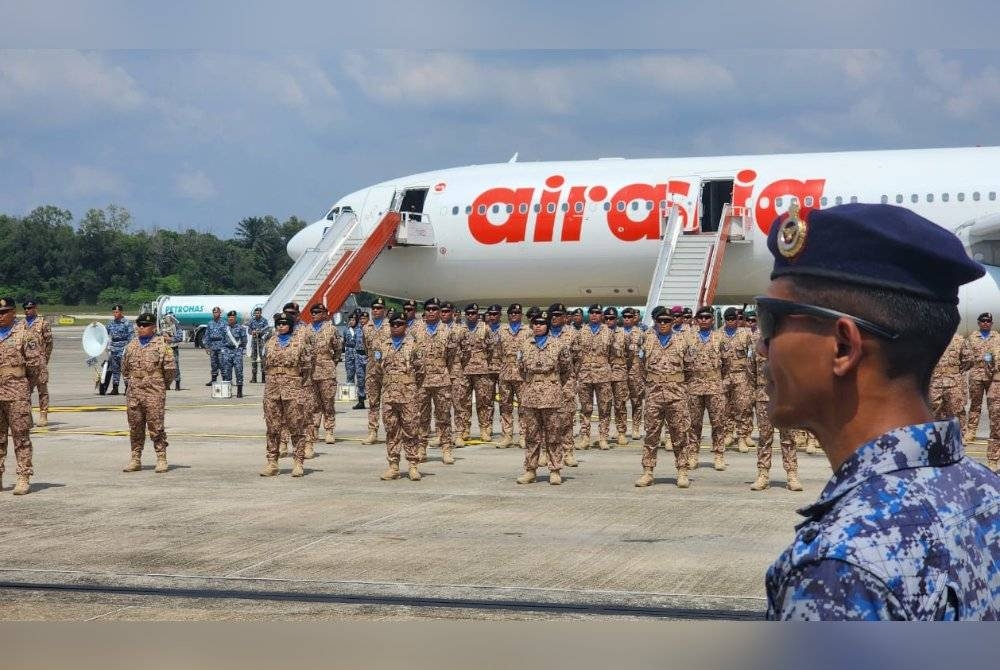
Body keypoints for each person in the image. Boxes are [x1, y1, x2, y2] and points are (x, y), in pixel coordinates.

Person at [760, 203, 1000, 620]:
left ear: (843, 347)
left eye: (771, 321)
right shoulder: (985, 493)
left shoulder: (840, 570)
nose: (762, 346)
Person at [747, 310, 802, 491]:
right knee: (764, 438)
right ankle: (763, 474)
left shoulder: (788, 344)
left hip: (784, 398)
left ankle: (792, 475)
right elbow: (751, 373)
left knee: (788, 438)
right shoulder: (757, 346)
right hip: (763, 398)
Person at [634, 311, 692, 488]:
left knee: (679, 433)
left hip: (676, 394)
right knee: (651, 434)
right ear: (655, 321)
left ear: (673, 321)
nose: (664, 323)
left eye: (667, 320)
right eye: (660, 320)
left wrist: (677, 384)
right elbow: (640, 367)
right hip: (654, 394)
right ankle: (648, 471)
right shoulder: (647, 340)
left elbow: (689, 369)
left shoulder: (683, 340)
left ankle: (682, 471)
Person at [516, 310, 573, 485]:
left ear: (547, 326)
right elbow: (520, 368)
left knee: (553, 434)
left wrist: (552, 384)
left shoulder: (559, 345)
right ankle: (530, 470)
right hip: (531, 395)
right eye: (535, 323)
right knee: (532, 435)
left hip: (551, 395)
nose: (538, 326)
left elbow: (566, 369)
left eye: (542, 323)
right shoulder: (525, 345)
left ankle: (555, 470)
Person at [121, 312, 177, 474]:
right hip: (134, 391)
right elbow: (124, 369)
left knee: (156, 425)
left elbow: (170, 370)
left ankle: (161, 458)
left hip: (154, 391)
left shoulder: (161, 345)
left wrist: (160, 385)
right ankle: (135, 458)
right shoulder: (131, 345)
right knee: (135, 426)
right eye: (139, 325)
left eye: (145, 325)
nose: (141, 328)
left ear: (153, 327)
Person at [0, 297, 43, 494]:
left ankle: (23, 476)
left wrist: (24, 387)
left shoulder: (25, 335)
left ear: (13, 313)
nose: (1, 316)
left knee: (20, 437)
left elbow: (35, 367)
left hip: (17, 394)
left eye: (4, 312)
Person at [259, 314, 310, 477]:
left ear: (290, 325)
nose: (281, 326)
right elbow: (265, 364)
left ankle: (298, 461)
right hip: (272, 389)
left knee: (296, 426)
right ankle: (272, 462)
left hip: (292, 388)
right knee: (272, 427)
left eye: (284, 323)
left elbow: (307, 368)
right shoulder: (270, 342)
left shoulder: (300, 343)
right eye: (278, 324)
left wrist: (297, 384)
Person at [377, 312, 424, 481]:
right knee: (392, 431)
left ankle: (412, 465)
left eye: (400, 324)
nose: (396, 326)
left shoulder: (413, 345)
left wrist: (409, 386)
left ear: (405, 326)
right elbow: (377, 370)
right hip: (389, 396)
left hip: (408, 395)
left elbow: (421, 371)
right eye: (393, 324)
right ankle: (393, 466)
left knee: (411, 430)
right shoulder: (383, 345)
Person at [411, 297, 455, 464]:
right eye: (428, 309)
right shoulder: (416, 330)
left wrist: (442, 370)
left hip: (441, 380)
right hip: (421, 380)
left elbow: (451, 356)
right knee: (421, 416)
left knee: (443, 415)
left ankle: (446, 448)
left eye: (434, 309)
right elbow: (412, 354)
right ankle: (421, 448)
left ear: (439, 312)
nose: (431, 312)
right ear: (425, 311)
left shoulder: (447, 331)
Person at [685, 306, 728, 471]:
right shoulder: (688, 338)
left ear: (712, 320)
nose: (704, 320)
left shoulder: (719, 338)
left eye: (707, 317)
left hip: (715, 386)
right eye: (700, 317)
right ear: (696, 319)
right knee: (694, 423)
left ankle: (718, 454)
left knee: (718, 423)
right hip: (695, 387)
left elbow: (727, 364)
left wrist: (722, 383)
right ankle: (693, 454)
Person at [577, 304, 614, 450]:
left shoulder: (608, 332)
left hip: (603, 375)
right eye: (592, 312)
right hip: (585, 374)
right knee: (585, 408)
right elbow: (576, 354)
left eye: (597, 313)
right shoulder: (581, 331)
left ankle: (603, 437)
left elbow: (614, 354)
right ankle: (585, 437)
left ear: (601, 315)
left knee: (604, 407)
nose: (594, 315)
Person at [720, 306, 755, 452]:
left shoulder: (745, 333)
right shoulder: (718, 335)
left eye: (733, 319)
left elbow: (754, 350)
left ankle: (742, 437)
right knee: (726, 407)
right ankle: (728, 433)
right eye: (728, 319)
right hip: (724, 375)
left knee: (743, 406)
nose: (730, 321)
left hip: (741, 375)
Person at [308, 303, 342, 446]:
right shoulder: (307, 330)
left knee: (328, 402)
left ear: (324, 313)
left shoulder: (331, 329)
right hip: (311, 371)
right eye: (313, 312)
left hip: (327, 370)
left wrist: (331, 362)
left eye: (318, 312)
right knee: (314, 404)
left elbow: (338, 349)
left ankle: (329, 430)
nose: (315, 314)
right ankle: (314, 430)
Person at [496, 303, 529, 448]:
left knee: (524, 406)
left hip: (522, 373)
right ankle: (507, 436)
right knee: (505, 406)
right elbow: (497, 352)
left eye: (517, 313)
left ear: (521, 315)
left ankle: (523, 435)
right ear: (508, 315)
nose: (514, 315)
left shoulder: (528, 331)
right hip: (505, 372)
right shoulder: (502, 331)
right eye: (511, 313)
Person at [17, 300, 53, 426]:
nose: (27, 310)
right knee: (25, 391)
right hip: (26, 363)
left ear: (35, 308)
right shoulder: (21, 324)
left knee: (42, 389)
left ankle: (43, 415)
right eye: (25, 308)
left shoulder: (42, 323)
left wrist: (45, 359)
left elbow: (49, 343)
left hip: (39, 362)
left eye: (30, 308)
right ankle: (28, 416)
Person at [361, 299, 391, 443]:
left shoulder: (391, 326)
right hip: (372, 369)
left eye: (379, 308)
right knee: (373, 402)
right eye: (373, 308)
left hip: (387, 370)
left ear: (384, 310)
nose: (375, 310)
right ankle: (372, 431)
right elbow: (367, 348)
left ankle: (391, 431)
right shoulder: (366, 328)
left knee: (389, 403)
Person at [965, 312, 994, 442]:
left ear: (991, 323)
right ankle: (971, 432)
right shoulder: (971, 338)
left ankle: (995, 434)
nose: (986, 323)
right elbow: (965, 356)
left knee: (994, 406)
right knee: (975, 405)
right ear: (978, 323)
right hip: (976, 376)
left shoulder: (997, 338)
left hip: (992, 377)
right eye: (983, 321)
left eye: (988, 321)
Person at [604, 307, 630, 445]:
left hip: (619, 374)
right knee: (605, 405)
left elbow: (630, 356)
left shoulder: (624, 334)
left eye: (612, 318)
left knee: (620, 404)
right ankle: (604, 433)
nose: (609, 321)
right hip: (603, 374)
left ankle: (621, 432)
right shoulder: (601, 333)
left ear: (616, 319)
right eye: (607, 318)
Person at [621, 307, 646, 441]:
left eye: (630, 317)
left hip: (636, 370)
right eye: (625, 317)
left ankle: (636, 428)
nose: (627, 319)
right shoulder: (617, 333)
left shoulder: (641, 333)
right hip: (620, 370)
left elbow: (646, 352)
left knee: (636, 401)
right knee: (620, 401)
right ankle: (622, 429)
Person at [106, 303, 135, 395]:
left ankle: (127, 387)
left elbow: (131, 336)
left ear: (121, 312)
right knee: (115, 369)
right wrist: (96, 327)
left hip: (124, 348)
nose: (115, 314)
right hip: (114, 348)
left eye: (117, 312)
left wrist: (129, 348)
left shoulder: (127, 323)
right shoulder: (111, 323)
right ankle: (115, 387)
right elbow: (103, 332)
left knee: (125, 369)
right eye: (114, 312)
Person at [220, 310, 248, 398]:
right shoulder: (225, 328)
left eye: (232, 317)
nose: (230, 319)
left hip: (237, 352)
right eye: (229, 317)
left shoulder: (241, 328)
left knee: (239, 371)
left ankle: (239, 392)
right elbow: (222, 340)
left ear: (235, 318)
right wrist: (223, 350)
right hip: (227, 351)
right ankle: (227, 392)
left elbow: (244, 340)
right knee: (227, 372)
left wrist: (240, 349)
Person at [202, 306, 226, 386]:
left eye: (217, 312)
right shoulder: (210, 323)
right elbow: (207, 335)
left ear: (220, 313)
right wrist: (206, 346)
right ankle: (213, 380)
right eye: (214, 312)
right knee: (213, 364)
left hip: (221, 345)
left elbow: (227, 335)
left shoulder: (224, 323)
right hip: (213, 346)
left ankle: (225, 380)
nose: (215, 314)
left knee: (222, 363)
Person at [247, 307, 269, 384]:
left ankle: (263, 378)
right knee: (254, 359)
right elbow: (249, 329)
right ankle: (254, 377)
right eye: (256, 313)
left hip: (261, 341)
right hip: (254, 341)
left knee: (263, 358)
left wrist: (260, 331)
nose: (257, 314)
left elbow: (267, 329)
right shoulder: (252, 320)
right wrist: (252, 332)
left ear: (261, 313)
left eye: (258, 313)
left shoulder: (264, 320)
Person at [353, 311, 369, 409]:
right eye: (361, 319)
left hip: (368, 356)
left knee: (370, 380)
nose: (362, 321)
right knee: (360, 379)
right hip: (358, 356)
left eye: (364, 319)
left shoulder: (371, 329)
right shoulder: (357, 329)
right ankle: (361, 401)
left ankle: (373, 400)